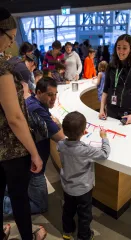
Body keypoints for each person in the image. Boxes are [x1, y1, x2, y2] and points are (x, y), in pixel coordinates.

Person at [0, 7, 46, 240]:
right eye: (10, 37)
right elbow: (15, 118)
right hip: (11, 148)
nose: (11, 43)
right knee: (19, 198)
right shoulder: (2, 68)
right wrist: (34, 153)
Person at [3, 77, 65, 216]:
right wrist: (58, 124)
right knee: (40, 205)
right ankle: (5, 206)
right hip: (34, 167)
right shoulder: (37, 109)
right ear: (38, 92)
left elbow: (51, 123)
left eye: (55, 94)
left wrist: (53, 122)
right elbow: (60, 137)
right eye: (49, 94)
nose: (53, 98)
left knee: (13, 188)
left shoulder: (32, 101)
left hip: (25, 163)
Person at [99, 34, 131, 191]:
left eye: (125, 48)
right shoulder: (112, 65)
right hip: (112, 111)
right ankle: (114, 178)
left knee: (127, 148)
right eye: (118, 47)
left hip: (129, 114)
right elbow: (106, 89)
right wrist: (101, 109)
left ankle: (127, 179)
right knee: (112, 145)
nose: (121, 51)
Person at [58, 111, 110, 240]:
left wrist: (76, 136)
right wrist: (104, 137)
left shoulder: (60, 145)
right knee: (84, 214)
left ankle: (67, 232)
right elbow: (104, 154)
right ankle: (84, 236)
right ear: (83, 132)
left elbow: (66, 143)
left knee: (68, 210)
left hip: (68, 187)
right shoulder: (86, 150)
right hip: (83, 189)